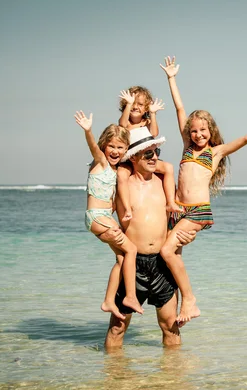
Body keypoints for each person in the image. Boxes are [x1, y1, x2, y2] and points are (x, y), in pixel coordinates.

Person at [158, 55, 247, 325]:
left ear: (211, 131)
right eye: (194, 130)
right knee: (172, 257)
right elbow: (179, 109)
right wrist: (172, 78)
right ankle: (180, 307)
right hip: (178, 211)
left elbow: (245, 139)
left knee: (166, 252)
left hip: (197, 212)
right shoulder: (187, 147)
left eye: (203, 130)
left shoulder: (215, 153)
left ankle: (190, 300)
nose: (198, 134)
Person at [104, 129, 197, 349]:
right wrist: (110, 239)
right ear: (133, 157)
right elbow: (99, 214)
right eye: (148, 154)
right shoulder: (121, 186)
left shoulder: (163, 183)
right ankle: (114, 379)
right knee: (118, 327)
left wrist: (187, 236)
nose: (155, 157)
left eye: (157, 152)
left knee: (170, 327)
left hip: (162, 265)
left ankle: (172, 379)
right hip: (132, 264)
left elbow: (180, 218)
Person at [74, 110, 144, 320]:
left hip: (103, 218)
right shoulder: (101, 163)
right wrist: (88, 131)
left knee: (122, 258)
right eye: (111, 146)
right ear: (104, 145)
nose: (114, 151)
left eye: (120, 148)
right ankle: (130, 296)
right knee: (131, 249)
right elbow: (93, 147)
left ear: (126, 150)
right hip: (97, 216)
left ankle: (108, 301)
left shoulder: (116, 172)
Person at [116, 86, 179, 220]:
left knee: (168, 168)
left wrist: (153, 113)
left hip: (145, 157)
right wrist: (128, 104)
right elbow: (121, 125)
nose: (135, 106)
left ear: (145, 108)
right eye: (133, 103)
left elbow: (154, 133)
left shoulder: (147, 121)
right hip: (130, 159)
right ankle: (127, 208)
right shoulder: (126, 122)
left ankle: (171, 202)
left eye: (140, 104)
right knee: (121, 174)